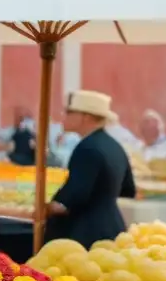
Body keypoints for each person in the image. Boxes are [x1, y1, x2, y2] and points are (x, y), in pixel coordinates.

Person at [45, 91, 135, 249]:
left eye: (70, 112)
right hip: (113, 228)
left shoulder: (87, 147)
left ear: (86, 117)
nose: (64, 116)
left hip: (87, 234)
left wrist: (48, 207)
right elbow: (129, 189)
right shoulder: (114, 146)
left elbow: (74, 196)